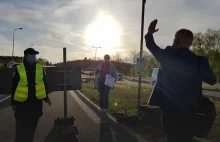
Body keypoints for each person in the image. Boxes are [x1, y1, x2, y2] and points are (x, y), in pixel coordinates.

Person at [145, 19, 217, 142]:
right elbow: (212, 80)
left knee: (171, 137)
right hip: (191, 113)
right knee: (187, 138)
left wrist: (150, 33)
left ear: (176, 40)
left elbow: (151, 46)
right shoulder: (200, 61)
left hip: (169, 112)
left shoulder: (167, 56)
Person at [11, 48, 51, 142]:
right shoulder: (19, 68)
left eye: (35, 55)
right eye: (32, 55)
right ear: (26, 56)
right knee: (20, 131)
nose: (34, 57)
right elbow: (14, 86)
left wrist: (46, 98)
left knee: (31, 130)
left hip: (35, 104)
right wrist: (13, 102)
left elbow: (43, 84)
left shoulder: (40, 68)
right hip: (22, 105)